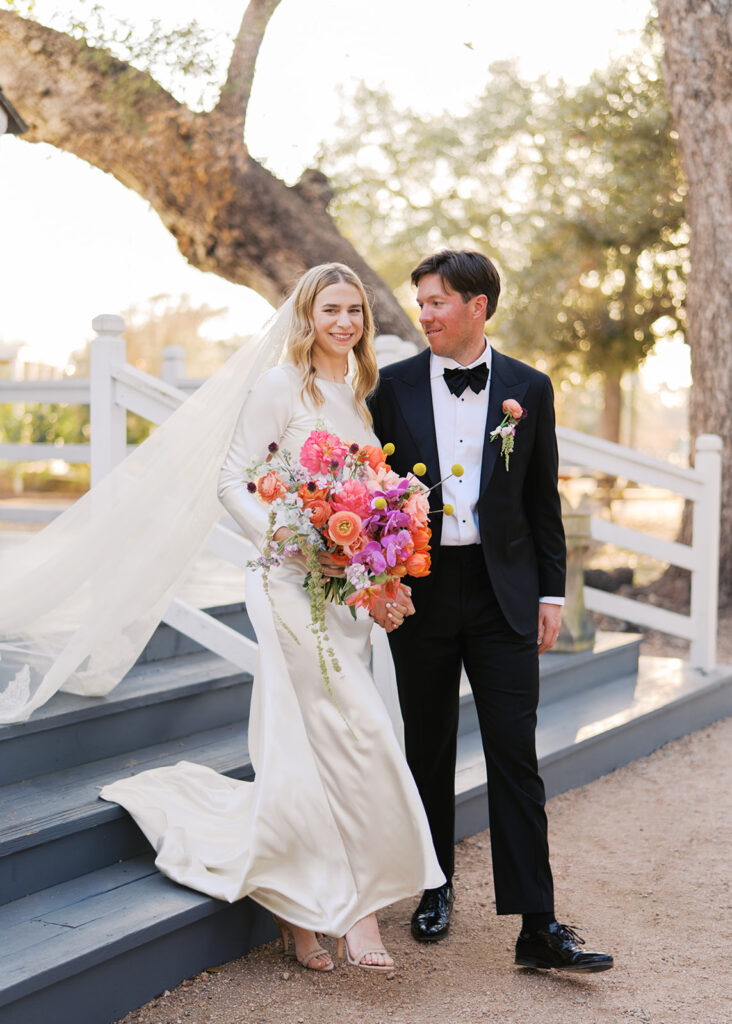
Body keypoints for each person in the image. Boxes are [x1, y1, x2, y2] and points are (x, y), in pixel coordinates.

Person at [100, 263, 445, 974]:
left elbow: (372, 498)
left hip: (342, 596)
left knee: (310, 746)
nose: (344, 321)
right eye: (331, 309)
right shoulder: (279, 386)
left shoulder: (360, 393)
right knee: (358, 733)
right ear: (307, 316)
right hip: (287, 585)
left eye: (355, 310)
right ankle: (358, 915)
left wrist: (378, 570)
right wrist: (290, 539)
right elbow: (232, 478)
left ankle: (300, 912)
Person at [369, 249, 613, 972]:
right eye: (422, 302)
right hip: (425, 589)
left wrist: (549, 593)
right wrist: (382, 578)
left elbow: (544, 500)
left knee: (515, 753)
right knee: (428, 744)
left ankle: (538, 925)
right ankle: (432, 888)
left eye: (438, 301)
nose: (426, 314)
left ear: (478, 306)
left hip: (506, 593)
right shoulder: (393, 386)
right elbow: (374, 491)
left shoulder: (528, 389)